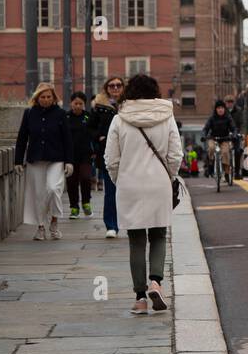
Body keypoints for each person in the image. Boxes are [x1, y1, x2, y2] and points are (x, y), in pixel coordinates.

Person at [104, 73, 183, 315]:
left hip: (129, 184)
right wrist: (167, 177)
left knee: (136, 240)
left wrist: (121, 180)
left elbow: (111, 160)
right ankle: (156, 282)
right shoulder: (166, 117)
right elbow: (175, 155)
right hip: (158, 184)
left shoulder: (119, 119)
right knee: (158, 235)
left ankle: (140, 298)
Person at [14, 83, 73, 240]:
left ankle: (54, 221)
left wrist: (69, 161)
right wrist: (18, 161)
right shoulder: (29, 114)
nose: (46, 100)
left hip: (56, 158)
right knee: (38, 195)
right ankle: (40, 227)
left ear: (54, 98)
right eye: (43, 97)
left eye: (49, 97)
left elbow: (67, 139)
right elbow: (22, 138)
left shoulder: (61, 114)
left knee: (53, 189)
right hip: (36, 159)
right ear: (37, 98)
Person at [90, 76, 123, 238]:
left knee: (129, 191)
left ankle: (131, 224)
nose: (115, 88)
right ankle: (111, 225)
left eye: (118, 85)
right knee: (110, 191)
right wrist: (100, 137)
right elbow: (90, 128)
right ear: (106, 88)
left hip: (129, 153)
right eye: (112, 85)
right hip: (107, 153)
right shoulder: (99, 106)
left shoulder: (130, 104)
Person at [66, 92, 95, 217]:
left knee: (85, 177)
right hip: (70, 155)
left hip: (85, 154)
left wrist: (95, 151)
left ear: (84, 104)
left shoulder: (88, 117)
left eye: (80, 104)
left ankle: (86, 202)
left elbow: (94, 134)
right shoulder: (65, 117)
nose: (78, 106)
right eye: (75, 103)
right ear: (71, 103)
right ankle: (74, 207)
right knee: (71, 181)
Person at [202, 99, 238, 179]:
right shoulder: (212, 118)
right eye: (218, 108)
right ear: (216, 109)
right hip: (213, 138)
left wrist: (234, 135)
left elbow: (234, 128)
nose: (220, 110)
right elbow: (206, 129)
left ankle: (226, 172)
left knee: (225, 153)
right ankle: (211, 165)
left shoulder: (228, 118)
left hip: (225, 138)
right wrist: (204, 135)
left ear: (224, 109)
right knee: (211, 148)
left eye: (222, 108)